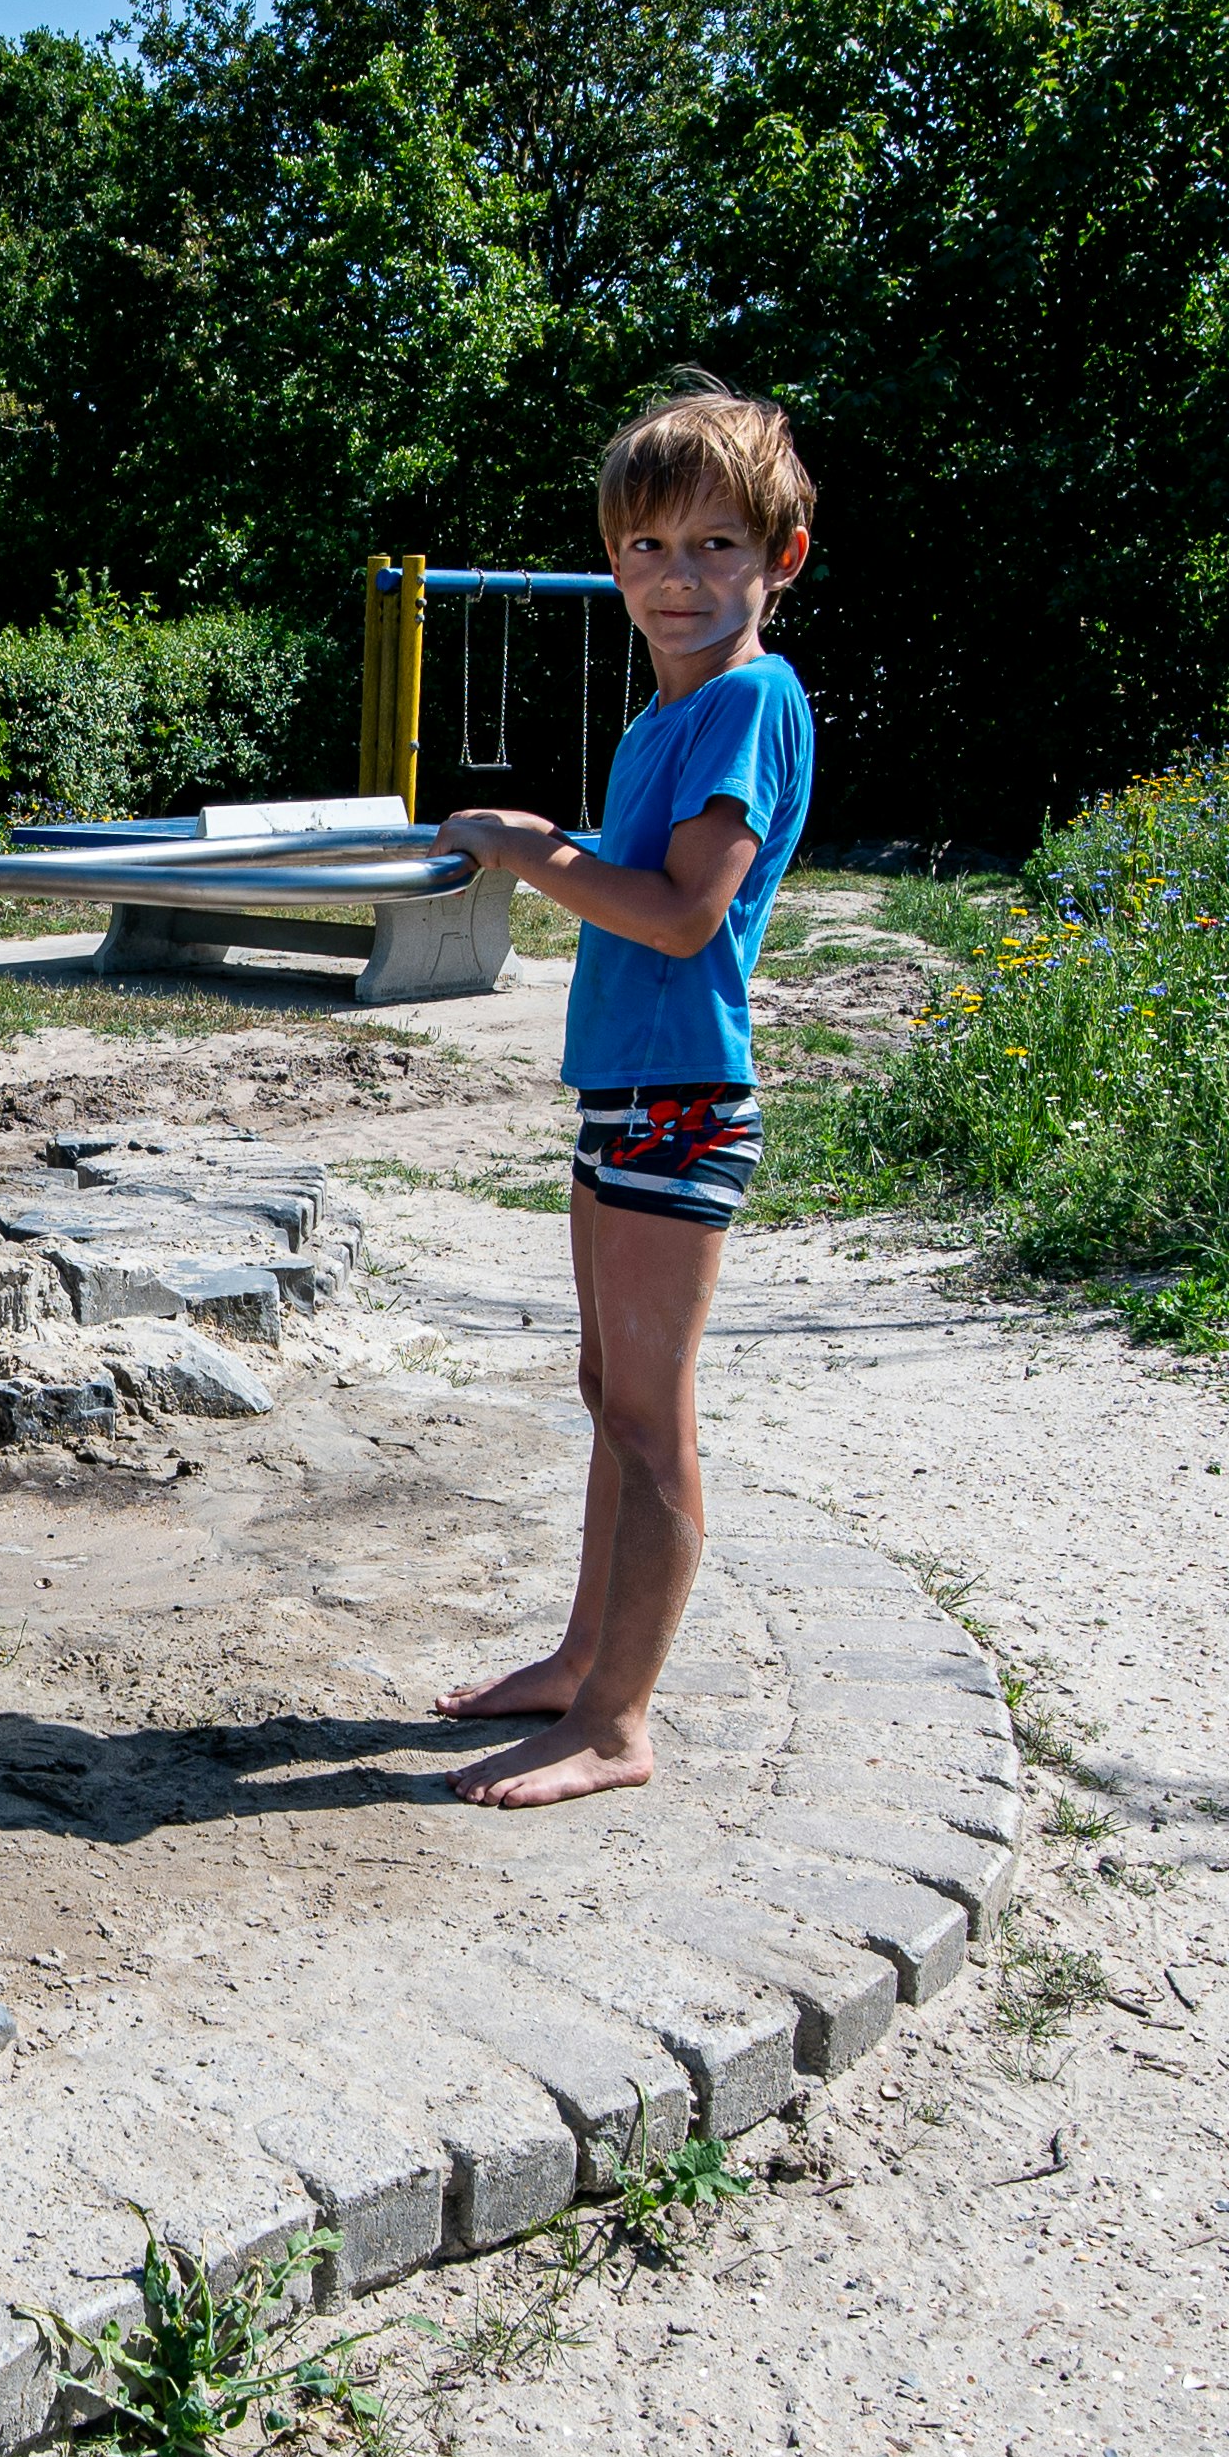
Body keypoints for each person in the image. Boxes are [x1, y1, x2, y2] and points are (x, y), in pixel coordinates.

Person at [429, 379, 821, 1807]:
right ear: (613, 562)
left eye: (717, 545)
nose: (678, 577)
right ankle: (585, 1655)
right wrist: (549, 841)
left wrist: (526, 843)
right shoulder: (665, 716)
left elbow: (679, 914)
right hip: (624, 1092)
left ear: (781, 557)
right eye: (649, 548)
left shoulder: (745, 701)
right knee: (610, 1391)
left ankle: (621, 1722)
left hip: (683, 1099)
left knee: (652, 1415)